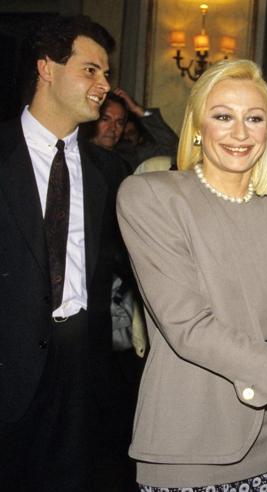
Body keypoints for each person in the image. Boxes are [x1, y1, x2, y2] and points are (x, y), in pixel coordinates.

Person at [116, 59, 267, 492]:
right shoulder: (151, 196)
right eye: (223, 116)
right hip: (190, 442)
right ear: (197, 126)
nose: (240, 133)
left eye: (254, 119)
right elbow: (188, 327)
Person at [0, 15, 125, 490]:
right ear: (46, 68)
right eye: (90, 70)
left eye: (107, 73)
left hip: (82, 374)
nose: (104, 85)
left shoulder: (109, 171)